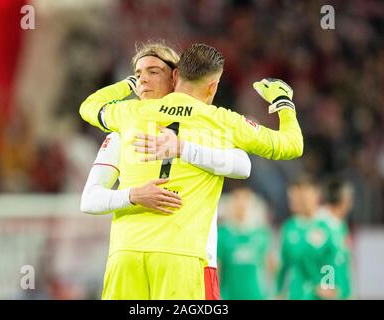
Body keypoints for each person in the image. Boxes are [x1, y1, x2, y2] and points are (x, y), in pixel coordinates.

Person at [80, 43, 303, 299]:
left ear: (175, 76)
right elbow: (290, 146)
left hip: (126, 253)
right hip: (182, 257)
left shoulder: (130, 115)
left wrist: (127, 84)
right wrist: (282, 101)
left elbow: (89, 107)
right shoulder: (222, 122)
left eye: (153, 72)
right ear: (213, 86)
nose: (143, 80)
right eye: (139, 74)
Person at [276, 175, 343, 300]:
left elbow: (335, 260)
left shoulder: (330, 226)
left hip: (318, 296)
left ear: (315, 195)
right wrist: (279, 292)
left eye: (301, 196)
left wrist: (329, 283)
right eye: (292, 197)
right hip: (295, 295)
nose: (296, 201)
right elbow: (284, 265)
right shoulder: (289, 228)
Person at [217, 186, 273, 300]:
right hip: (229, 296)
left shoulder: (261, 233)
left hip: (257, 295)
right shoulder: (222, 234)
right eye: (237, 199)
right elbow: (218, 268)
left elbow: (269, 266)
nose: (241, 204)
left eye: (245, 199)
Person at [318, 177, 354, 299]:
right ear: (344, 200)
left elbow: (343, 263)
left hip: (341, 293)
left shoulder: (340, 225)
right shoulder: (318, 225)